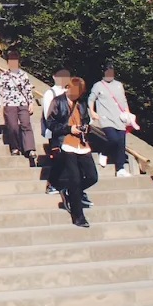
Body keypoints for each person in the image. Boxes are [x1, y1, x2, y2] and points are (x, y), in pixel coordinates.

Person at [46, 77, 98, 227]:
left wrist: (85, 127)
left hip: (81, 143)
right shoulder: (58, 102)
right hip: (65, 142)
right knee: (74, 178)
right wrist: (69, 129)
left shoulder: (81, 104)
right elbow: (50, 123)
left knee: (92, 176)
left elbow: (86, 120)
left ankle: (70, 192)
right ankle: (78, 216)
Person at [88, 64, 136, 178]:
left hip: (119, 118)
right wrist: (92, 111)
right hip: (106, 117)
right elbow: (91, 99)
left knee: (121, 142)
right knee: (113, 139)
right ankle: (104, 152)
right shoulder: (98, 86)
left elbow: (123, 101)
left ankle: (120, 168)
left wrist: (127, 114)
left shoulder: (119, 85)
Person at [0, 50, 36, 158]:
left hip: (23, 102)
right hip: (9, 104)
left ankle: (30, 148)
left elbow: (28, 89)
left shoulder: (23, 75)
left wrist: (31, 102)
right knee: (13, 126)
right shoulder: (4, 75)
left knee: (26, 124)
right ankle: (15, 147)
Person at [42, 69, 71, 196]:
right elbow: (48, 114)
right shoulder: (50, 93)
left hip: (70, 131)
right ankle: (52, 183)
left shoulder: (69, 92)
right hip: (56, 132)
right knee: (59, 158)